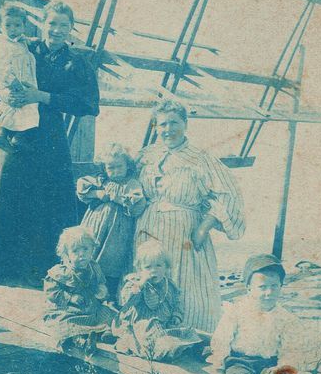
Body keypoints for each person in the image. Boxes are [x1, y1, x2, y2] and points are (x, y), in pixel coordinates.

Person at [0, 0, 100, 288]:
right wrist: (3, 95)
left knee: (47, 200)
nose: (56, 30)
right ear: (42, 24)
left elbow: (89, 104)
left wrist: (42, 97)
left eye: (63, 26)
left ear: (70, 30)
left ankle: (42, 271)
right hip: (13, 129)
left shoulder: (75, 63)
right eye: (51, 23)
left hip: (49, 138)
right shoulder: (20, 45)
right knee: (1, 189)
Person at [135, 99, 245, 332]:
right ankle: (148, 333)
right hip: (147, 228)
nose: (168, 129)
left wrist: (204, 227)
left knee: (185, 285)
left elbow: (229, 195)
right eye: (162, 124)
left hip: (184, 232)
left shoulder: (200, 158)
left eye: (174, 122)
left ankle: (190, 337)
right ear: (156, 127)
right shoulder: (147, 156)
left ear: (185, 124)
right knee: (147, 279)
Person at [76, 143, 146, 301]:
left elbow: (138, 206)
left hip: (117, 232)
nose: (114, 172)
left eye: (119, 167)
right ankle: (83, 293)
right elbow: (81, 188)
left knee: (111, 259)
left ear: (128, 165)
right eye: (110, 168)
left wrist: (119, 198)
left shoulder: (131, 184)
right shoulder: (102, 181)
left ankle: (106, 296)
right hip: (94, 224)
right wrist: (97, 193)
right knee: (89, 254)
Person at [112, 240, 202, 362]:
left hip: (166, 322)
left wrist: (176, 316)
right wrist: (141, 283)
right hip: (144, 325)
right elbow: (127, 302)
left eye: (158, 266)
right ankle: (169, 349)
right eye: (148, 267)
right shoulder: (135, 283)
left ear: (166, 266)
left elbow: (177, 303)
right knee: (155, 335)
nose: (153, 270)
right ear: (140, 268)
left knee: (187, 331)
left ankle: (188, 347)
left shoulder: (169, 285)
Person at [43, 226, 116, 352]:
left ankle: (106, 333)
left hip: (92, 308)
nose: (81, 254)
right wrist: (70, 297)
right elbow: (52, 292)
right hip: (71, 311)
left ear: (92, 249)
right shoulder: (62, 272)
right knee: (65, 325)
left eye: (85, 249)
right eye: (75, 251)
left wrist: (102, 291)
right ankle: (82, 341)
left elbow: (101, 283)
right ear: (66, 255)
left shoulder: (94, 267)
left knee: (109, 313)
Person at [0, 2, 39, 132]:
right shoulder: (3, 45)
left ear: (24, 26)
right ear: (0, 26)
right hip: (12, 82)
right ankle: (6, 135)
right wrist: (11, 81)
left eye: (17, 25)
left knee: (27, 111)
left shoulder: (19, 41)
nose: (12, 29)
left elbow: (24, 41)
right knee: (17, 109)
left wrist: (31, 40)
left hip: (24, 81)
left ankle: (17, 136)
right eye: (8, 25)